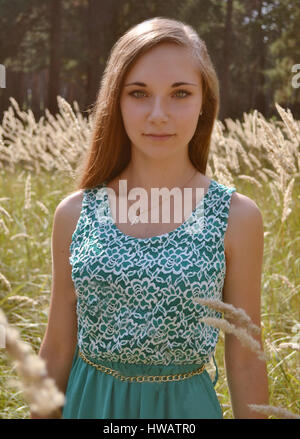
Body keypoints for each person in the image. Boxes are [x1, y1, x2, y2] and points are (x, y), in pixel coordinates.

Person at [31, 17, 269, 419]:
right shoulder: (74, 214)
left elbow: (245, 360)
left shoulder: (237, 217)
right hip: (92, 407)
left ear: (204, 103)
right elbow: (56, 347)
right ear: (116, 102)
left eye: (180, 93)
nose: (159, 114)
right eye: (139, 93)